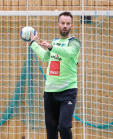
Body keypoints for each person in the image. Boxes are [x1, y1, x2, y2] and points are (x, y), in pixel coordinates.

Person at [30, 11, 81, 139]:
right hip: (50, 92)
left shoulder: (74, 43)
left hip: (67, 91)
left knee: (64, 126)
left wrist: (52, 47)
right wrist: (33, 43)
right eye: (62, 23)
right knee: (51, 131)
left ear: (71, 26)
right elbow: (45, 57)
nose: (65, 26)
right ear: (58, 24)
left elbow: (68, 52)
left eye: (68, 23)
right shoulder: (55, 42)